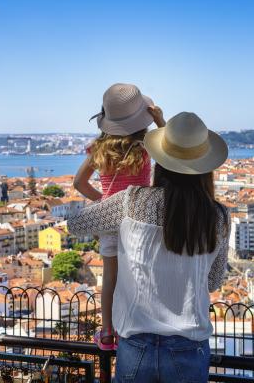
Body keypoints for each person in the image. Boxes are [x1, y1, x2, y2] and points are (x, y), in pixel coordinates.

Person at [68, 112, 230, 382]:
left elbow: (76, 224)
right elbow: (213, 281)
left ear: (161, 163)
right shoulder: (218, 217)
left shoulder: (133, 201)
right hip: (189, 347)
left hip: (136, 345)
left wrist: (107, 203)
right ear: (205, 167)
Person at [73, 83, 165, 350]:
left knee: (110, 277)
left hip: (110, 218)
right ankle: (140, 326)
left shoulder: (98, 149)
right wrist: (160, 121)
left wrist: (105, 200)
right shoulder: (146, 145)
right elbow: (173, 154)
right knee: (141, 274)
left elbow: (79, 183)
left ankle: (107, 333)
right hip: (140, 216)